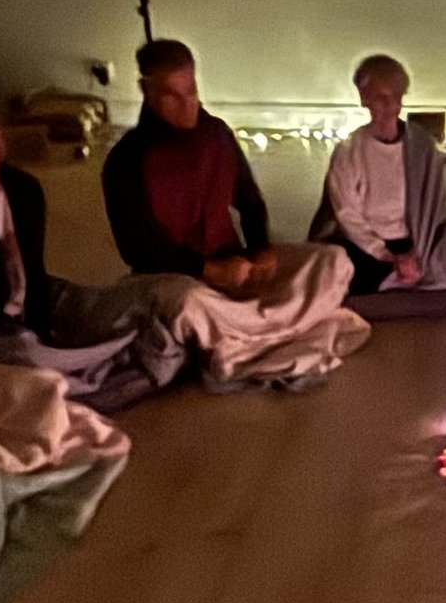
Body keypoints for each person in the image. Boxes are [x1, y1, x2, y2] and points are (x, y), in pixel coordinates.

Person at [98, 40, 365, 389]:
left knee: (333, 260)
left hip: (237, 268)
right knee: (188, 304)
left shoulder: (217, 135)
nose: (187, 103)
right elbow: (137, 249)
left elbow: (249, 201)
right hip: (178, 278)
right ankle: (271, 330)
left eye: (191, 90)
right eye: (172, 96)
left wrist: (260, 249)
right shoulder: (126, 159)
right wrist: (208, 269)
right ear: (145, 91)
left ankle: (248, 334)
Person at [0, 87, 178, 410]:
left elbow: (32, 269)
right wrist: (30, 333)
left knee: (92, 304)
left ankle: (103, 355)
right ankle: (86, 377)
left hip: (26, 300)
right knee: (25, 350)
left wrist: (47, 324)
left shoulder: (24, 190)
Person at [313, 53, 446, 297]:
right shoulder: (349, 151)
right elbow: (347, 215)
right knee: (332, 269)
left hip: (422, 241)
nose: (390, 105)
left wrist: (417, 251)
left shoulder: (421, 144)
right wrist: (387, 255)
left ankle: (410, 281)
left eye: (395, 97)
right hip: (368, 248)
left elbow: (441, 205)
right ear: (364, 99)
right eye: (381, 98)